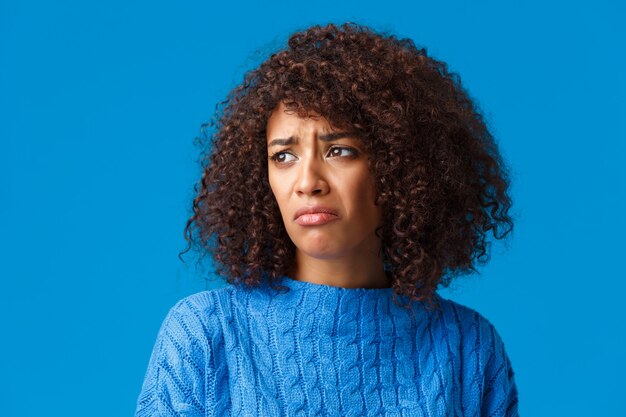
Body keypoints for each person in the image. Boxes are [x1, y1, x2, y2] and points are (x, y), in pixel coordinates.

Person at [134, 22, 519, 416]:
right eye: (283, 156)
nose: (308, 182)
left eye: (339, 150)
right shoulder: (205, 334)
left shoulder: (466, 346)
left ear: (400, 166)